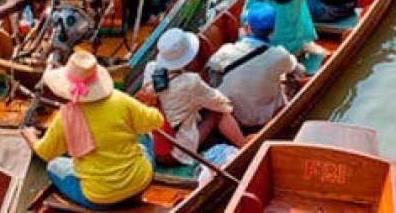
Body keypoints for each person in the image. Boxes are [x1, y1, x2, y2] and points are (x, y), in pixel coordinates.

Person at [24, 51, 164, 209]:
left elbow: (45, 152)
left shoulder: (64, 118)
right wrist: (147, 105)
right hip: (139, 182)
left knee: (54, 165)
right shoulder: (120, 99)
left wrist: (30, 137)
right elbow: (156, 120)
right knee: (146, 136)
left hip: (100, 198)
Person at [140, 29, 247, 165]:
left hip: (155, 145)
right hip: (176, 153)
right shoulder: (190, 81)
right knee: (219, 113)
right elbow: (222, 104)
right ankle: (244, 146)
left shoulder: (150, 68)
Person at [205, 3, 301, 128]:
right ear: (272, 31)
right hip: (269, 114)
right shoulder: (279, 55)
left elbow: (212, 66)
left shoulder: (226, 51)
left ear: (246, 28)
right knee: (296, 70)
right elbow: (293, 67)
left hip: (237, 117)